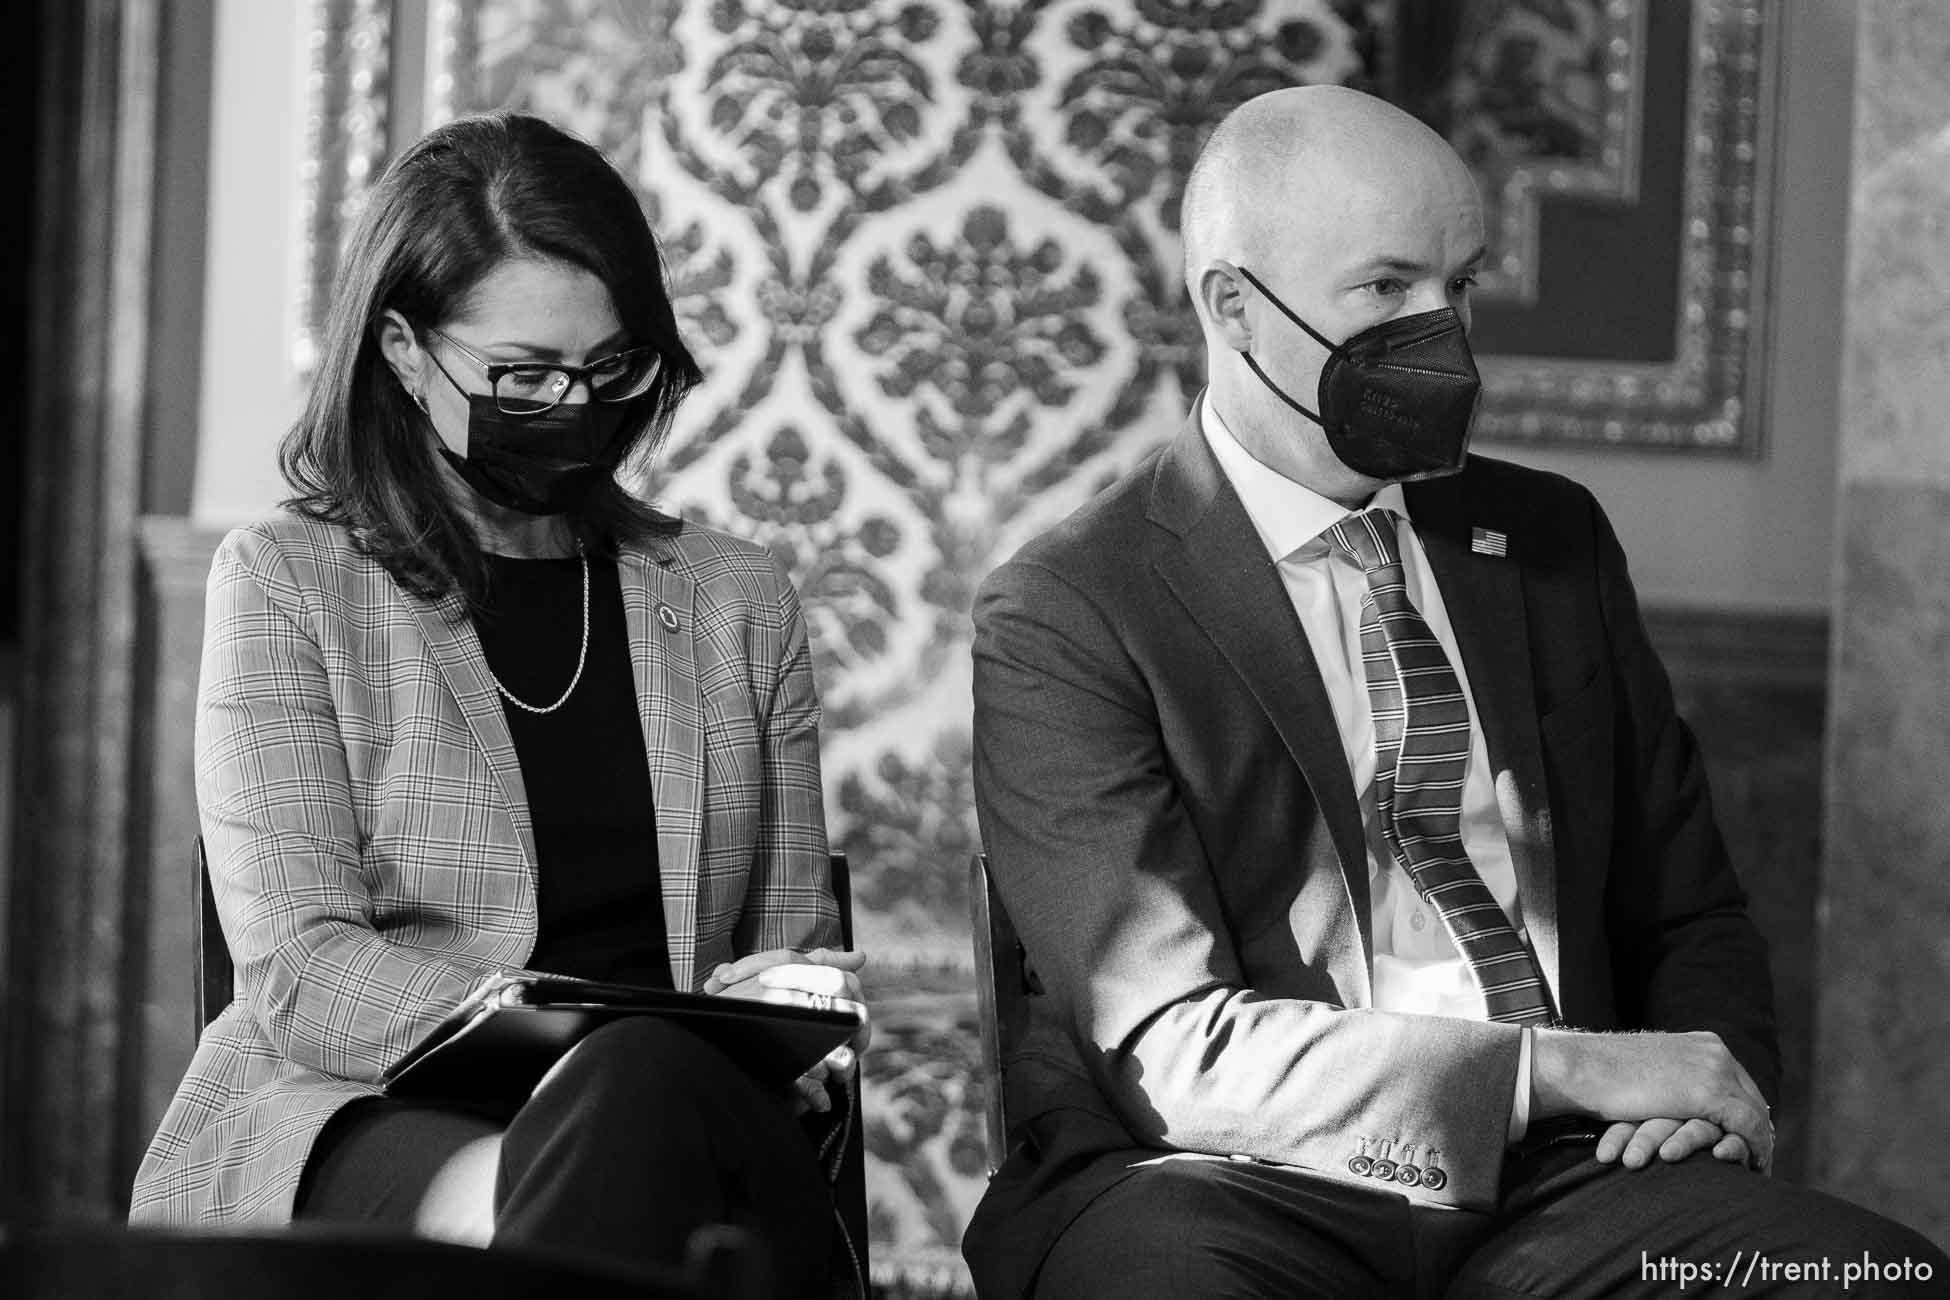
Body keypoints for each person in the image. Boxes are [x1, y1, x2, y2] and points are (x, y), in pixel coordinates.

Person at [964, 85, 1948, 1299]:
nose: (1445, 336)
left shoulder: (1551, 543)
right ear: (1235, 306)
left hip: (1568, 1183)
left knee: (1883, 1281)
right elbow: (1178, 1048)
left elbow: (1691, 912)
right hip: (1225, 1184)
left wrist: (1707, 1096)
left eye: (1459, 287)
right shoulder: (1070, 606)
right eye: (1386, 290)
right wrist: (1566, 1070)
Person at [130, 112, 868, 1299]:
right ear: (405, 350)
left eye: (613, 368)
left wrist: (782, 1015)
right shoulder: (287, 580)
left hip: (682, 1112)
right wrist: (564, 1032)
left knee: (648, 1103)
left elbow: (786, 973)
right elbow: (301, 970)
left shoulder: (737, 601)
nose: (575, 403)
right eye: (523, 376)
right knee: (631, 1099)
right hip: (367, 1108)